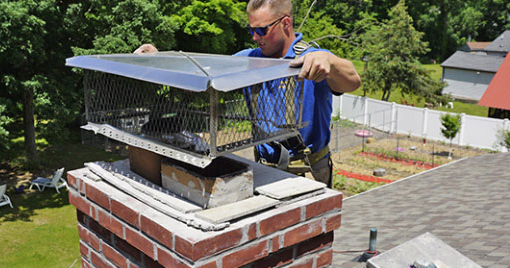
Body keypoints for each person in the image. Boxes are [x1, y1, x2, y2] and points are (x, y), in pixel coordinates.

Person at [134, 0, 361, 187]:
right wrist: (161, 57)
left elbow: (352, 81)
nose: (255, 36)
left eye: (261, 30)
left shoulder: (313, 58)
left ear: (286, 23)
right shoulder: (249, 58)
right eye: (251, 30)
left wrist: (329, 60)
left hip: (307, 169)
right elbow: (201, 74)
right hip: (262, 169)